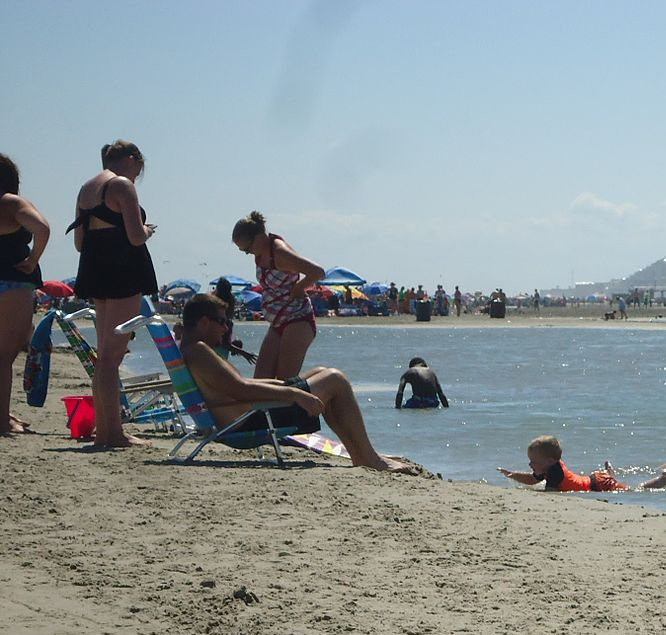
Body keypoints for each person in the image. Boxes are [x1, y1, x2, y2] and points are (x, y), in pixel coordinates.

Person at [180, 294, 420, 474]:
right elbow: (240, 389)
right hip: (250, 420)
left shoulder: (193, 350)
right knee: (335, 379)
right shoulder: (200, 351)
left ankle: (361, 454)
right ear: (203, 322)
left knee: (321, 372)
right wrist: (294, 394)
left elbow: (238, 385)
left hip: (248, 414)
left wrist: (283, 384)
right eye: (221, 322)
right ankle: (370, 459)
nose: (225, 328)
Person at [67, 139, 158, 447]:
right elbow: (134, 237)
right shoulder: (121, 186)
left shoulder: (86, 188)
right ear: (132, 159)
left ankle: (105, 432)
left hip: (95, 268)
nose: (136, 176)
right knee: (111, 357)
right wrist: (148, 230)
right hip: (122, 271)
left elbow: (80, 242)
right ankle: (114, 434)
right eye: (138, 168)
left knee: (104, 355)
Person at [231, 211, 323, 380]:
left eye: (247, 249)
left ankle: (322, 387)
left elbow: (317, 272)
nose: (247, 253)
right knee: (261, 380)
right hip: (277, 321)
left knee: (284, 381)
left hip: (297, 318)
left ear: (258, 237)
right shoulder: (260, 253)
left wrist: (299, 287)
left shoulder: (279, 253)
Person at [0, 154, 50, 436]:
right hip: (13, 282)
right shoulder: (12, 203)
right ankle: (2, 422)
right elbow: (41, 228)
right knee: (4, 356)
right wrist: (33, 260)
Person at [498, 435, 629, 491]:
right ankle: (608, 472)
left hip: (597, 485)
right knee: (608, 477)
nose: (530, 465)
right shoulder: (547, 467)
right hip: (593, 479)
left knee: (627, 490)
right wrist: (512, 474)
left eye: (533, 461)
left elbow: (549, 492)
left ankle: (609, 474)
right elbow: (532, 480)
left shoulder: (556, 472)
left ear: (549, 461)